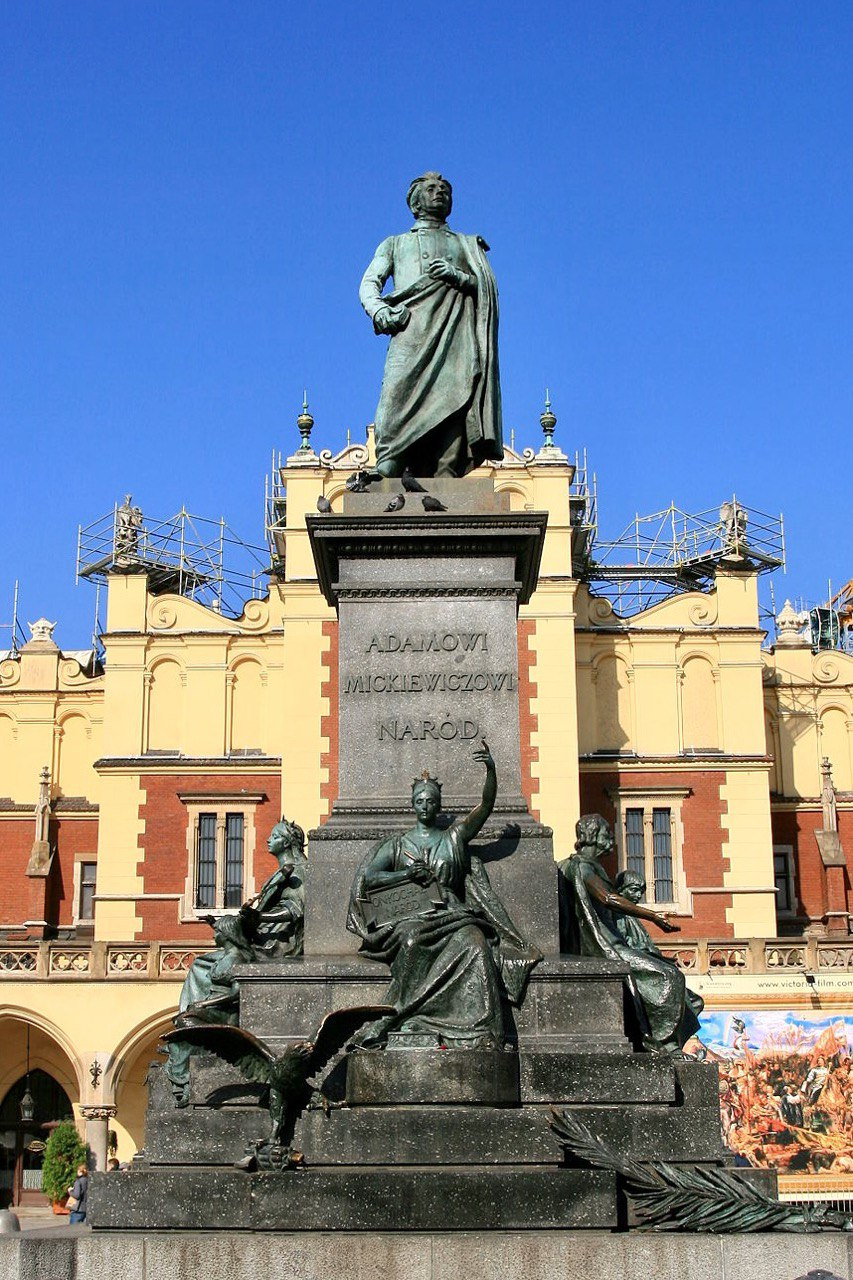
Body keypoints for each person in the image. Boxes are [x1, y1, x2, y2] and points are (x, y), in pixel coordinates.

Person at [347, 743, 540, 1048]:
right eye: (420, 801)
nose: (425, 805)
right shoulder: (398, 844)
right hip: (411, 913)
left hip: (452, 912)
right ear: (413, 805)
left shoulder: (454, 837)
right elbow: (371, 877)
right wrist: (405, 875)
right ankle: (406, 1015)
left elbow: (485, 808)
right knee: (410, 941)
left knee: (476, 943)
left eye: (431, 801)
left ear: (438, 806)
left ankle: (479, 1030)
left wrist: (491, 770)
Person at [359, 172, 503, 478]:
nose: (439, 193)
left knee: (455, 392)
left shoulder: (466, 244)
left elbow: (487, 289)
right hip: (411, 329)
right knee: (395, 395)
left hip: (455, 332)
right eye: (431, 189)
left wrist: (458, 276)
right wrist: (379, 311)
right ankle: (390, 460)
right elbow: (369, 283)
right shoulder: (396, 243)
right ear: (414, 201)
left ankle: (447, 468)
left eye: (445, 190)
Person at [558, 814, 698, 1056]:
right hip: (606, 947)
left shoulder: (593, 868)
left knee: (679, 985)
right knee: (669, 977)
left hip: (616, 943)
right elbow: (608, 898)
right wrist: (652, 915)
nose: (611, 838)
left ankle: (668, 1043)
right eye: (605, 833)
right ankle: (665, 1044)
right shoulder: (582, 866)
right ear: (590, 837)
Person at [245, 817, 306, 959]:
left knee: (202, 965)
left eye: (274, 836)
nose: (268, 840)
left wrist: (259, 917)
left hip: (276, 943)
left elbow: (297, 910)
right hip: (264, 937)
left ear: (285, 842)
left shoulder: (297, 871)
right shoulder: (281, 872)